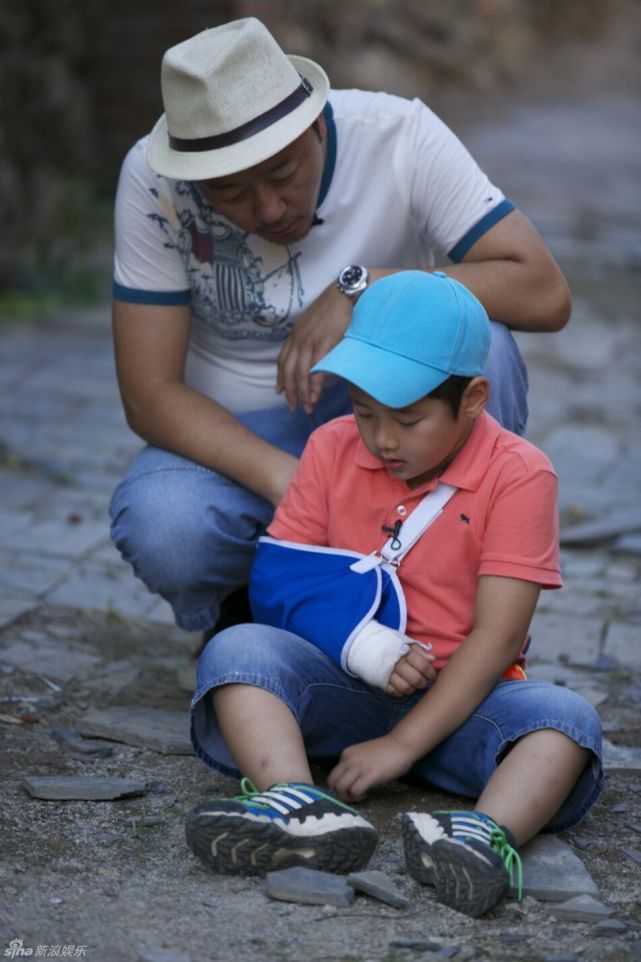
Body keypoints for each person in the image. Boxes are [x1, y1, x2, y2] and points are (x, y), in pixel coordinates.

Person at [109, 16, 571, 639]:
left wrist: (366, 287)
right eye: (230, 192)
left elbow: (543, 290)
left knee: (483, 351)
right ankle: (256, 603)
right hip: (246, 429)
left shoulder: (398, 135)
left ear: (318, 126)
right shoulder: (153, 179)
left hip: (396, 406)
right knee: (164, 524)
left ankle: (457, 612)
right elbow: (148, 394)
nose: (269, 209)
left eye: (283, 175)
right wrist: (293, 482)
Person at [186, 271, 602, 918]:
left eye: (408, 420)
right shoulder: (330, 447)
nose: (382, 439)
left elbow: (497, 638)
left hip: (465, 708)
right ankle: (298, 805)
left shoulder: (520, 475)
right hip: (343, 684)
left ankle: (480, 838)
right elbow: (278, 583)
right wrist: (364, 647)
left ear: (473, 398)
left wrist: (401, 746)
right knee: (237, 650)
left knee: (567, 721)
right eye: (364, 412)